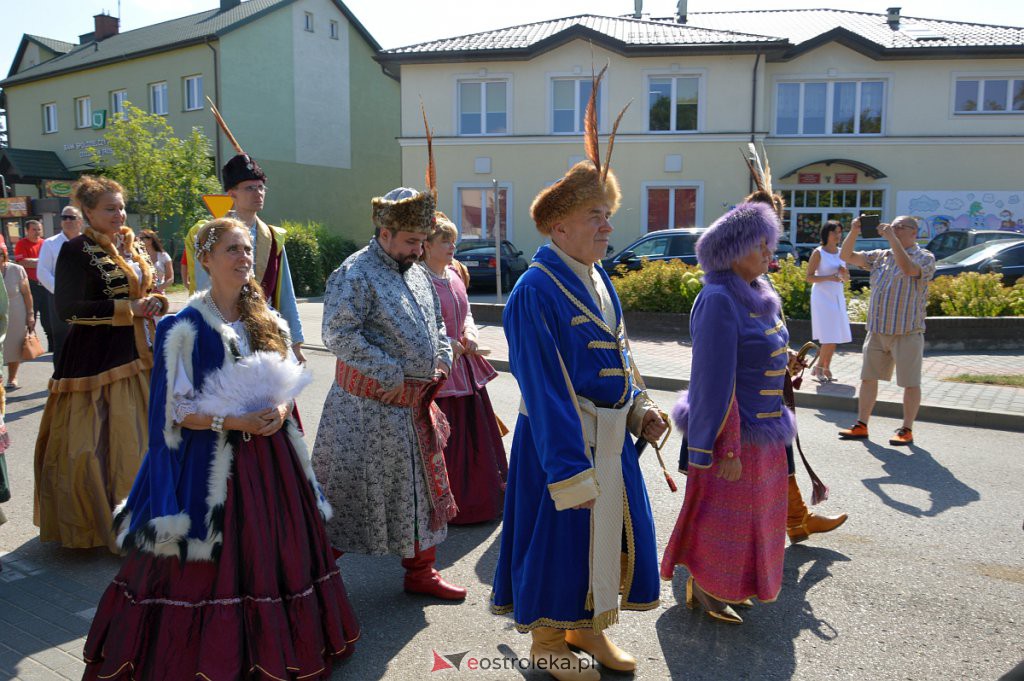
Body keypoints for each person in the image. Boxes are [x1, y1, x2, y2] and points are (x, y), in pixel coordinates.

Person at [81, 218, 358, 679]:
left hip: (271, 461)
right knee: (206, 562)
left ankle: (278, 645)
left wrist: (282, 410)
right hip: (209, 466)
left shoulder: (265, 319)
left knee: (276, 552)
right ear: (205, 260)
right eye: (232, 250)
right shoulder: (183, 326)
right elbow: (175, 410)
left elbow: (286, 380)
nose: (243, 259)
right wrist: (235, 421)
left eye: (247, 250)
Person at [492, 71, 667, 680]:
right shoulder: (533, 290)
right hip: (561, 447)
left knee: (609, 541)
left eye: (607, 214)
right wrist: (569, 467)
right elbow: (542, 389)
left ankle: (588, 631)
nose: (607, 227)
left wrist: (642, 405)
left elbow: (620, 355)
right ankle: (546, 642)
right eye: (597, 215)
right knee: (560, 542)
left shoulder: (597, 277)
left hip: (613, 437)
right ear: (558, 225)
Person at [312, 186, 464, 601]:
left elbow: (437, 325)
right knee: (350, 493)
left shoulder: (416, 271)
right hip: (363, 413)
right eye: (412, 241)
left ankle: (421, 572)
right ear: (385, 232)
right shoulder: (354, 273)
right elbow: (338, 333)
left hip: (412, 411)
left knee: (420, 492)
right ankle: (309, 576)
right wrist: (388, 369)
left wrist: (444, 358)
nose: (419, 250)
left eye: (422, 241)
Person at [660, 200, 793, 625]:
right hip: (737, 436)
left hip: (767, 431)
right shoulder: (717, 298)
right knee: (727, 524)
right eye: (761, 247)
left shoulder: (758, 291)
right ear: (733, 252)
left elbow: (760, 355)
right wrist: (728, 448)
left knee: (757, 522)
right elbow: (716, 382)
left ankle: (730, 586)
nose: (770, 254)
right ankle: (707, 588)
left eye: (770, 245)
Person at [33, 176, 167, 551]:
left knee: (145, 440)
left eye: (121, 206)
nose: (119, 213)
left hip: (143, 355)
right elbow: (68, 309)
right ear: (88, 212)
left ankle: (148, 517)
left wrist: (157, 302)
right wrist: (129, 309)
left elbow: (146, 288)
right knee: (100, 446)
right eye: (110, 208)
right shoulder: (76, 251)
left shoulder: (131, 244)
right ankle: (105, 523)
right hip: (97, 361)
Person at [185, 105, 305, 363]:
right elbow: (203, 289)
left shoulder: (273, 236)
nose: (258, 193)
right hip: (221, 334)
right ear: (232, 194)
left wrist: (295, 341)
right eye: (250, 188)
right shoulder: (206, 233)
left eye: (262, 187)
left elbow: (285, 295)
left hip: (266, 333)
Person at [421, 214, 507, 524]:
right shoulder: (419, 281)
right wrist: (447, 343)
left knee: (478, 436)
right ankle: (451, 506)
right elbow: (420, 327)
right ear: (426, 245)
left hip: (466, 369)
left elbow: (467, 312)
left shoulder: (454, 275)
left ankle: (484, 498)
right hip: (441, 374)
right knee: (449, 443)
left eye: (453, 240)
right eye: (445, 241)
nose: (452, 246)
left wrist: (471, 334)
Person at [838, 215, 936, 446]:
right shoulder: (881, 255)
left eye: (900, 227)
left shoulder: (925, 257)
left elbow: (907, 269)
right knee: (868, 378)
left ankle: (906, 429)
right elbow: (846, 256)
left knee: (910, 382)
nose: (894, 229)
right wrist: (853, 232)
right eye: (893, 226)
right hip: (878, 329)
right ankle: (861, 425)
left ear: (914, 232)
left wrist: (892, 239)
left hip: (907, 331)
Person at [806, 220, 852, 382]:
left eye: (840, 232)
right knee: (829, 335)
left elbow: (845, 279)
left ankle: (826, 368)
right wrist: (830, 277)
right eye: (834, 232)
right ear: (826, 234)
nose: (838, 236)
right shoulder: (818, 253)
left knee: (835, 335)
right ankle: (819, 368)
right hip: (822, 297)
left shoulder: (841, 252)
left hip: (837, 296)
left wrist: (843, 273)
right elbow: (809, 277)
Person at [38, 205, 84, 365]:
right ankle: (61, 381)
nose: (67, 221)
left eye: (71, 217)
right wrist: (62, 292)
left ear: (80, 221)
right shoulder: (50, 244)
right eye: (64, 217)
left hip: (87, 298)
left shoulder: (90, 243)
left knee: (86, 338)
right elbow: (42, 272)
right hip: (60, 298)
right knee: (62, 340)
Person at [14, 220, 51, 351]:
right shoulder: (21, 243)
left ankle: (52, 346)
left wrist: (34, 261)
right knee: (30, 316)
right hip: (31, 285)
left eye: (39, 229)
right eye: (34, 229)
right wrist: (42, 261)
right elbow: (22, 262)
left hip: (45, 284)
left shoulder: (45, 243)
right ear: (27, 230)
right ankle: (28, 346)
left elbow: (51, 262)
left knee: (49, 317)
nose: (37, 232)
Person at [1, 242, 33, 388]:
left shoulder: (17, 269)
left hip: (15, 313)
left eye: (0, 254)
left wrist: (30, 315)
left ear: (4, 255)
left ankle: (12, 378)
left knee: (13, 346)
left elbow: (27, 294)